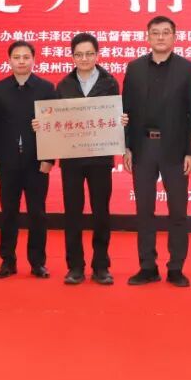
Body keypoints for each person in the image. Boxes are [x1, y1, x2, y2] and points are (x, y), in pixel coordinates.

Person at [122, 15, 191, 288]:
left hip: (176, 149)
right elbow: (125, 111)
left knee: (178, 211)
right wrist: (126, 146)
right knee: (144, 210)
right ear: (147, 37)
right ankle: (147, 266)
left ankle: (176, 267)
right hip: (143, 147)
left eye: (166, 32)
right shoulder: (134, 68)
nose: (160, 37)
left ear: (174, 37)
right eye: (155, 33)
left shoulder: (187, 69)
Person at [44, 33, 127, 285]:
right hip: (72, 158)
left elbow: (115, 116)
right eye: (79, 54)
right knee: (73, 213)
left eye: (89, 54)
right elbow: (55, 121)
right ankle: (75, 266)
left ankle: (101, 265)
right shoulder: (64, 85)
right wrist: (44, 125)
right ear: (72, 56)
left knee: (101, 212)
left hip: (100, 158)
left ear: (97, 55)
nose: (84, 58)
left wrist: (121, 121)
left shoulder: (109, 83)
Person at [0, 40, 57, 279]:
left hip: (37, 162)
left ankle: (38, 262)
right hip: (7, 162)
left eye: (26, 57)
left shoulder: (46, 88)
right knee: (9, 212)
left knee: (37, 213)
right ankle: (7, 260)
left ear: (34, 60)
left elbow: (54, 127)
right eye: (16, 57)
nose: (21, 61)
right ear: (9, 61)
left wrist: (49, 159)